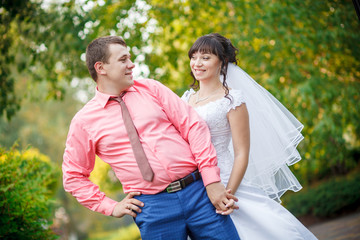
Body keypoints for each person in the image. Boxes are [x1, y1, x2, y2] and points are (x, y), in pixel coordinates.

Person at [62, 35, 241, 240]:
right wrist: (110, 206)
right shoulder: (84, 121)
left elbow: (193, 126)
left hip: (199, 193)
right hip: (153, 209)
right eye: (123, 60)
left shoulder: (152, 88)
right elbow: (73, 177)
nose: (131, 64)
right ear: (101, 68)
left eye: (129, 58)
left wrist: (211, 181)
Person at [182, 33, 318, 240]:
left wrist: (229, 193)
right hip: (194, 184)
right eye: (194, 57)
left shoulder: (232, 99)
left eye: (205, 57)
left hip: (226, 178)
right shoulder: (185, 99)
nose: (197, 63)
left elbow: (241, 153)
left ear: (222, 61)